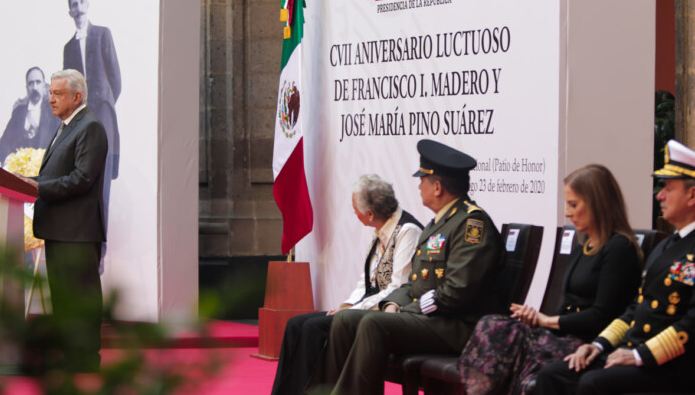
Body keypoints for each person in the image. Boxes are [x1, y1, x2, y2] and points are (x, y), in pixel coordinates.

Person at [312, 140, 505, 395]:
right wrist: (392, 303)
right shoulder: (439, 223)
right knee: (345, 320)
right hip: (434, 319)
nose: (418, 185)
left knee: (374, 324)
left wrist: (406, 309)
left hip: (459, 326)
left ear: (437, 187)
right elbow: (415, 282)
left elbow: (457, 291)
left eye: (422, 179)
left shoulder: (471, 224)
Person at [458, 164, 643, 395]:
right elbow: (568, 307)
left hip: (588, 343)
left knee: (500, 332)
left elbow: (602, 315)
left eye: (573, 204)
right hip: (563, 334)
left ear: (598, 203)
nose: (567, 212)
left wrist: (545, 321)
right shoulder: (584, 246)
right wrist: (536, 319)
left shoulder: (619, 248)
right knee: (493, 323)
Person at [535, 139, 695, 395]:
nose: (659, 195)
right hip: (639, 350)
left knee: (592, 384)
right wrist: (598, 346)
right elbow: (635, 308)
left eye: (668, 188)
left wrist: (640, 355)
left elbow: (691, 325)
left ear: (692, 194)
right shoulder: (669, 246)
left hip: (674, 364)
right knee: (553, 375)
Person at [270, 173, 423, 395]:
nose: (354, 213)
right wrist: (346, 306)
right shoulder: (379, 231)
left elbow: (396, 288)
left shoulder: (408, 231)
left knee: (313, 328)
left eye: (355, 209)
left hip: (383, 314)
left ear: (370, 214)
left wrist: (352, 310)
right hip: (361, 309)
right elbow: (366, 281)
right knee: (294, 324)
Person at [20, 69, 107, 372]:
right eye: (51, 92)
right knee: (63, 297)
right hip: (60, 229)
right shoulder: (68, 125)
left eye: (57, 93)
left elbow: (82, 178)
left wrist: (39, 187)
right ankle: (70, 356)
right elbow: (56, 175)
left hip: (78, 231)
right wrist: (26, 181)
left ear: (77, 96)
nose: (50, 98)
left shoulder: (90, 127)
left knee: (80, 296)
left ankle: (85, 360)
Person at [62, 0, 121, 259]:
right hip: (82, 125)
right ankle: (86, 243)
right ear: (70, 9)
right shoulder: (68, 48)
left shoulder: (102, 34)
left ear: (87, 4)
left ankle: (102, 246)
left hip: (104, 119)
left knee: (104, 184)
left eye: (82, 1)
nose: (79, 7)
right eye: (74, 3)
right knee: (85, 181)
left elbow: (116, 79)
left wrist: (104, 104)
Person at [0, 66, 59, 165]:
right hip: (19, 165)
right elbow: (5, 141)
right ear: (26, 87)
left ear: (44, 86)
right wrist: (8, 160)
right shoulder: (18, 112)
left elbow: (60, 142)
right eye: (31, 83)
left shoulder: (53, 111)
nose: (35, 87)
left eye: (38, 82)